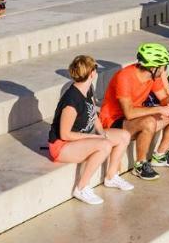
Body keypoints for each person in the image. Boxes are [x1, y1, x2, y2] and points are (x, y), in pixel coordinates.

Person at [47, 55, 134, 205]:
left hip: (82, 138)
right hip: (61, 146)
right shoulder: (71, 100)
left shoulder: (88, 89)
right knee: (104, 145)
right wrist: (97, 139)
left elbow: (93, 115)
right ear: (92, 73)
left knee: (124, 136)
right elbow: (64, 134)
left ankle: (111, 177)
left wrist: (102, 133)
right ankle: (81, 188)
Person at [98, 43, 169, 180]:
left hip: (135, 118)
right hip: (113, 121)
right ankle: (140, 165)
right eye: (163, 66)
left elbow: (164, 98)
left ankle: (160, 156)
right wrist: (160, 109)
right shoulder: (124, 77)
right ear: (153, 67)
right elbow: (129, 113)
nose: (164, 70)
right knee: (149, 121)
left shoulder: (153, 77)